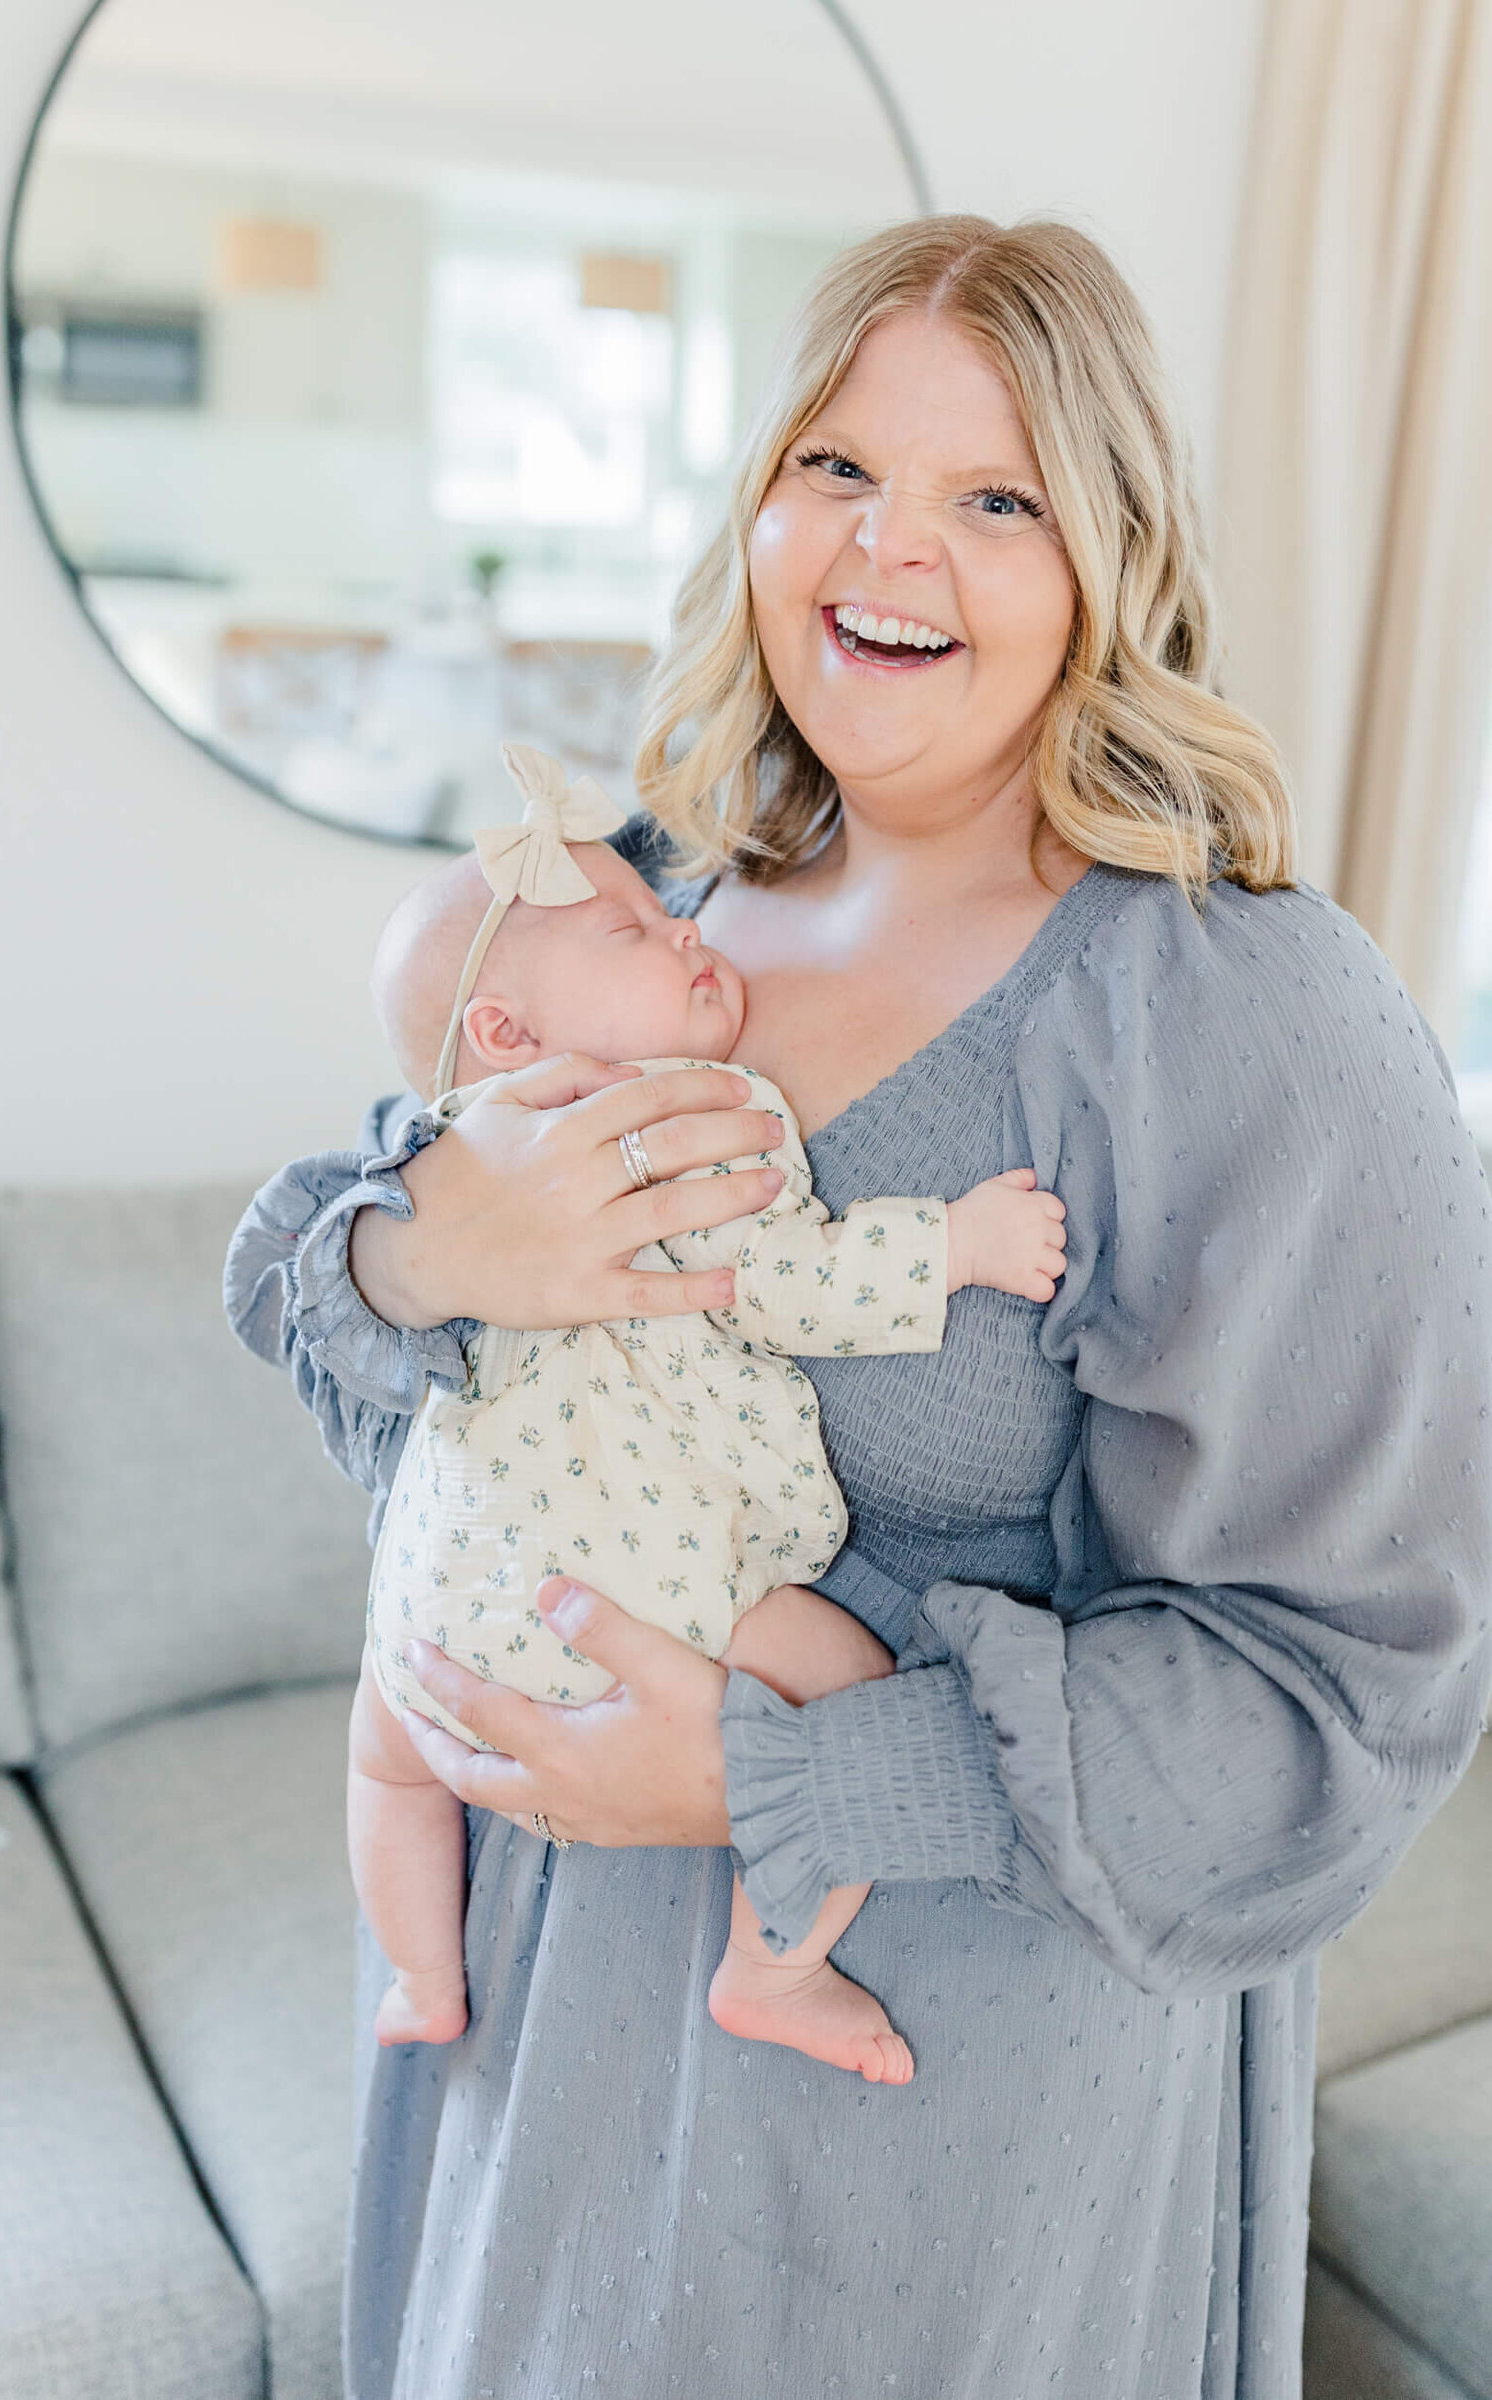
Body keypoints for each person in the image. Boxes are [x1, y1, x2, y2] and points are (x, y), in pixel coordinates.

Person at [225, 215, 1492, 2398]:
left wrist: (782, 1771)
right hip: (534, 2034)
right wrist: (440, 1251)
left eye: (992, 497)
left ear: (1108, 556)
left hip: (942, 2103)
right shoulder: (632, 898)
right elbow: (331, 1312)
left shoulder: (1240, 1016)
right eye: (833, 466)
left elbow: (1349, 1693)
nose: (883, 548)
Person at [350, 741, 1067, 2081]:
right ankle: (776, 1969)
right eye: (630, 929)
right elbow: (780, 1280)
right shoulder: (685, 1115)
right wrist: (957, 1246)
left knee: (389, 1760)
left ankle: (416, 1972)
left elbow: (333, 1249)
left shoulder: (445, 1155)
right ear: (510, 1035)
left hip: (437, 1610)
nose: (678, 926)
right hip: (642, 1592)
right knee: (842, 1687)